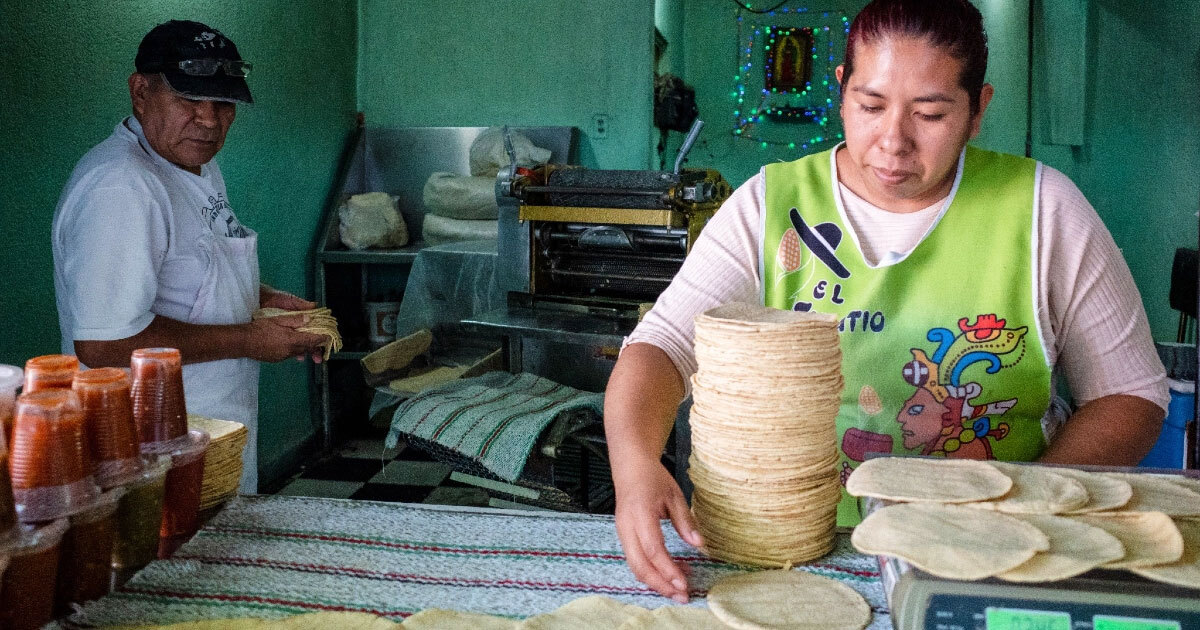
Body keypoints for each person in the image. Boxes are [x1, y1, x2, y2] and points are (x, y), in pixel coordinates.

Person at [604, 0, 1168, 602]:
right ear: (842, 91)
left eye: (930, 113)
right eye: (871, 106)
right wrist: (634, 464)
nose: (893, 141)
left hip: (991, 556)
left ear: (978, 111)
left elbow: (1129, 395)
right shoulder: (772, 207)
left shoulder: (1043, 212)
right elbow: (661, 348)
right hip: (790, 551)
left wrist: (1027, 505)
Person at [52, 20, 327, 493]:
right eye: (188, 100)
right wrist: (249, 339)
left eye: (223, 104)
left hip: (207, 428)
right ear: (140, 92)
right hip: (149, 446)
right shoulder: (122, 187)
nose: (208, 120)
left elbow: (188, 263)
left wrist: (261, 297)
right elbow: (103, 345)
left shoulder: (191, 162)